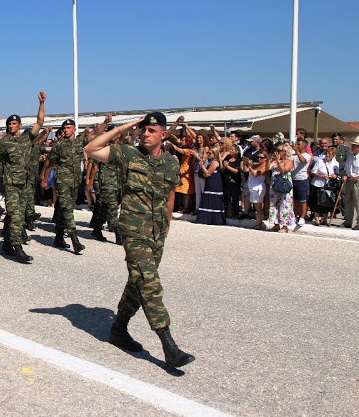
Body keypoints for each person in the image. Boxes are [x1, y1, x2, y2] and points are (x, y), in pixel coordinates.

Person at [85, 112, 195, 368]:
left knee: (138, 282)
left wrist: (167, 224)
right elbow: (91, 148)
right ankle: (169, 345)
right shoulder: (128, 154)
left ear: (163, 135)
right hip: (134, 229)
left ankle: (118, 329)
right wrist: (125, 126)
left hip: (157, 232)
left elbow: (170, 194)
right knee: (149, 282)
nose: (146, 134)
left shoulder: (170, 162)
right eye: (143, 129)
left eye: (152, 130)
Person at [0, 91, 46, 264]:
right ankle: (17, 248)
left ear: (19, 125)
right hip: (11, 184)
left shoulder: (27, 139)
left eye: (14, 123)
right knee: (16, 215)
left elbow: (39, 122)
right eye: (9, 124)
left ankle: (6, 242)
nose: (11, 126)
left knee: (14, 215)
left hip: (25, 184)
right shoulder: (3, 143)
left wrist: (41, 103)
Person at [41, 118, 88, 253]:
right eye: (64, 128)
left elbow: (95, 136)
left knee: (63, 209)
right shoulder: (59, 145)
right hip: (62, 181)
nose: (66, 130)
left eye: (68, 128)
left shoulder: (79, 144)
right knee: (67, 209)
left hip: (75, 182)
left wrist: (105, 124)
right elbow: (50, 163)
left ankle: (58, 237)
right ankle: (75, 240)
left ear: (74, 129)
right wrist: (44, 178)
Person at [193, 146, 225, 225]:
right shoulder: (210, 162)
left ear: (214, 154)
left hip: (214, 182)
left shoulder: (215, 162)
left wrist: (202, 165)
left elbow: (207, 173)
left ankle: (215, 219)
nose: (208, 154)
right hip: (210, 181)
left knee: (212, 197)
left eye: (209, 153)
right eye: (207, 153)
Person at [267, 143, 295, 232]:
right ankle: (276, 223)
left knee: (285, 204)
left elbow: (283, 170)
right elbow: (268, 168)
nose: (277, 152)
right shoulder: (275, 161)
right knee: (274, 203)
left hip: (284, 184)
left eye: (279, 151)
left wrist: (279, 161)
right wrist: (271, 159)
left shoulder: (289, 161)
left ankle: (285, 225)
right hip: (274, 184)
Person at [310, 147, 339, 225]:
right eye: (327, 153)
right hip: (318, 184)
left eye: (330, 154)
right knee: (317, 202)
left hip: (328, 185)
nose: (328, 155)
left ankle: (324, 219)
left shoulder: (335, 163)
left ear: (333, 155)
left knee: (327, 202)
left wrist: (334, 176)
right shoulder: (320, 161)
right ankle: (317, 219)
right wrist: (321, 176)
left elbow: (337, 174)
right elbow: (313, 172)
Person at [242, 151, 268, 229]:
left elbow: (255, 175)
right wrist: (245, 163)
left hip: (258, 188)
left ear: (265, 158)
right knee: (256, 207)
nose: (259, 159)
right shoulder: (256, 165)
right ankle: (257, 223)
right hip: (252, 188)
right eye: (258, 157)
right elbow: (245, 170)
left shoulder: (264, 167)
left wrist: (250, 167)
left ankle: (259, 224)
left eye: (261, 158)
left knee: (259, 207)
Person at [291, 138, 311, 225]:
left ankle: (302, 217)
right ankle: (294, 216)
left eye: (298, 144)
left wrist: (297, 152)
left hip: (302, 180)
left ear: (303, 146)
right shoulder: (294, 155)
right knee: (294, 200)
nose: (297, 145)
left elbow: (303, 161)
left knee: (302, 200)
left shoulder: (307, 155)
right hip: (293, 179)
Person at [220, 144, 242, 218]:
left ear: (236, 151)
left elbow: (236, 171)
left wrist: (227, 167)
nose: (231, 151)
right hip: (226, 181)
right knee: (226, 198)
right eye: (230, 149)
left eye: (232, 150)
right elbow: (222, 169)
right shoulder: (227, 159)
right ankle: (226, 213)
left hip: (234, 182)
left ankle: (235, 213)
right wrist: (224, 167)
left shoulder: (238, 161)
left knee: (235, 198)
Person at [342, 136, 359, 229]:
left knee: (358, 202)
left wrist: (356, 178)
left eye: (355, 146)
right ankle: (348, 220)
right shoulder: (350, 156)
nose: (352, 147)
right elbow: (346, 168)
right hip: (349, 180)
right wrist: (345, 175)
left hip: (357, 181)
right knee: (348, 201)